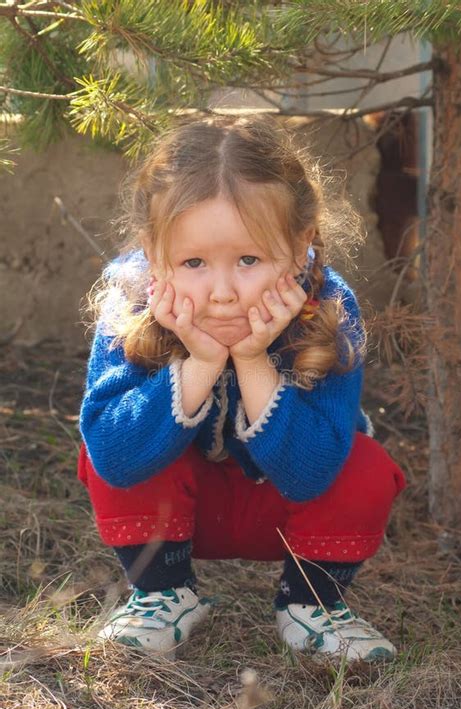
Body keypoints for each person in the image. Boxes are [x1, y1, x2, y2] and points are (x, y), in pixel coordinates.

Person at [77, 115, 406, 663]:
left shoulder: (326, 305)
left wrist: (253, 360)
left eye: (249, 260)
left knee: (365, 467)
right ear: (154, 253)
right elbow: (113, 459)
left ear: (301, 247)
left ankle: (313, 603)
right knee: (113, 434)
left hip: (282, 504)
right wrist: (201, 360)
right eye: (194, 262)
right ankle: (163, 594)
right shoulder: (133, 302)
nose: (224, 291)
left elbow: (313, 474)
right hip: (177, 508)